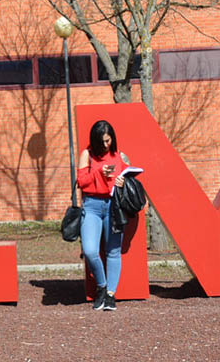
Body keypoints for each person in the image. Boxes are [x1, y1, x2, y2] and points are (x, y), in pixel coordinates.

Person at [77, 120, 130, 311]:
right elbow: (81, 182)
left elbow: (130, 175)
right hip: (92, 205)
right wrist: (99, 171)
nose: (106, 145)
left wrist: (123, 180)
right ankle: (101, 285)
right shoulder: (87, 154)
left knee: (113, 251)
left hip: (113, 206)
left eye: (108, 141)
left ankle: (110, 295)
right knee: (90, 250)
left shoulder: (119, 155)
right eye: (102, 142)